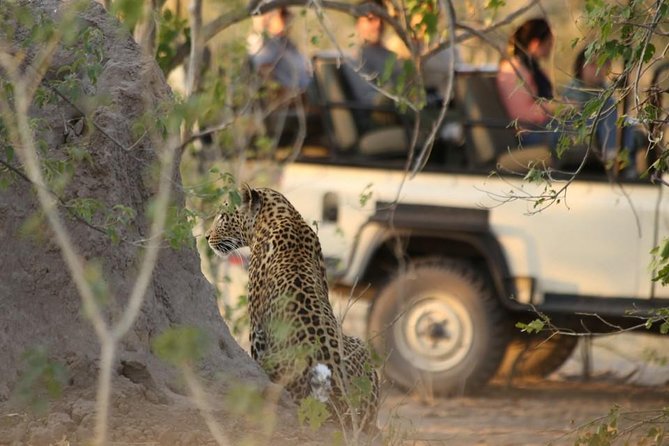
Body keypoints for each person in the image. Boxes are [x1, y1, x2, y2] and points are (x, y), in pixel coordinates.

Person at [496, 18, 561, 148]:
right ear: (535, 43)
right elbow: (520, 114)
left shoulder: (533, 69)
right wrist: (552, 108)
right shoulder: (514, 70)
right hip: (528, 133)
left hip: (542, 126)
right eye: (548, 43)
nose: (551, 48)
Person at [343, 0, 400, 105]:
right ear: (358, 23)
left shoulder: (391, 55)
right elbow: (370, 100)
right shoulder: (355, 59)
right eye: (371, 19)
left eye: (382, 18)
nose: (378, 24)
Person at [249, 7, 311, 93]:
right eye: (283, 14)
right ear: (268, 17)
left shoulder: (284, 41)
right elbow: (266, 80)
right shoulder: (265, 44)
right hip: (293, 101)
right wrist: (294, 96)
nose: (289, 18)